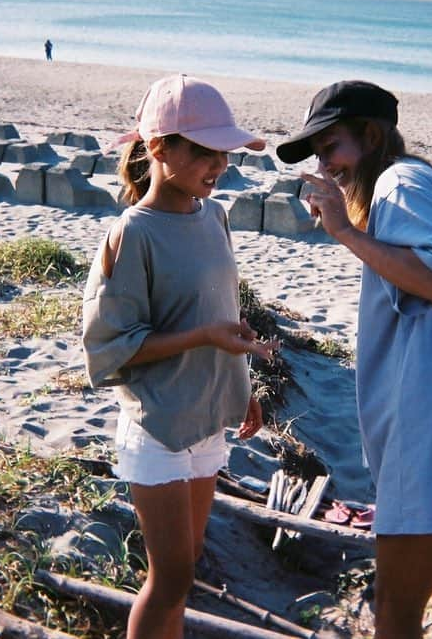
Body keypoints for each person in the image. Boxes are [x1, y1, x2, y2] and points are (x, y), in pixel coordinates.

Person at [277, 81, 432, 639]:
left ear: (371, 136)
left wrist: (344, 230)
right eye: (319, 154)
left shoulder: (399, 183)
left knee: (395, 606)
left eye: (331, 147)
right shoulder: (428, 186)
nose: (326, 166)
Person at [81, 75, 273, 639]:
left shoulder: (213, 217)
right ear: (161, 149)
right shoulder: (131, 233)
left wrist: (243, 388)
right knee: (166, 580)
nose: (219, 166)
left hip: (208, 417)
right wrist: (203, 338)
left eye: (224, 154)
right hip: (160, 425)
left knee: (185, 570)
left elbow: (223, 313)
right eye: (205, 152)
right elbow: (111, 347)